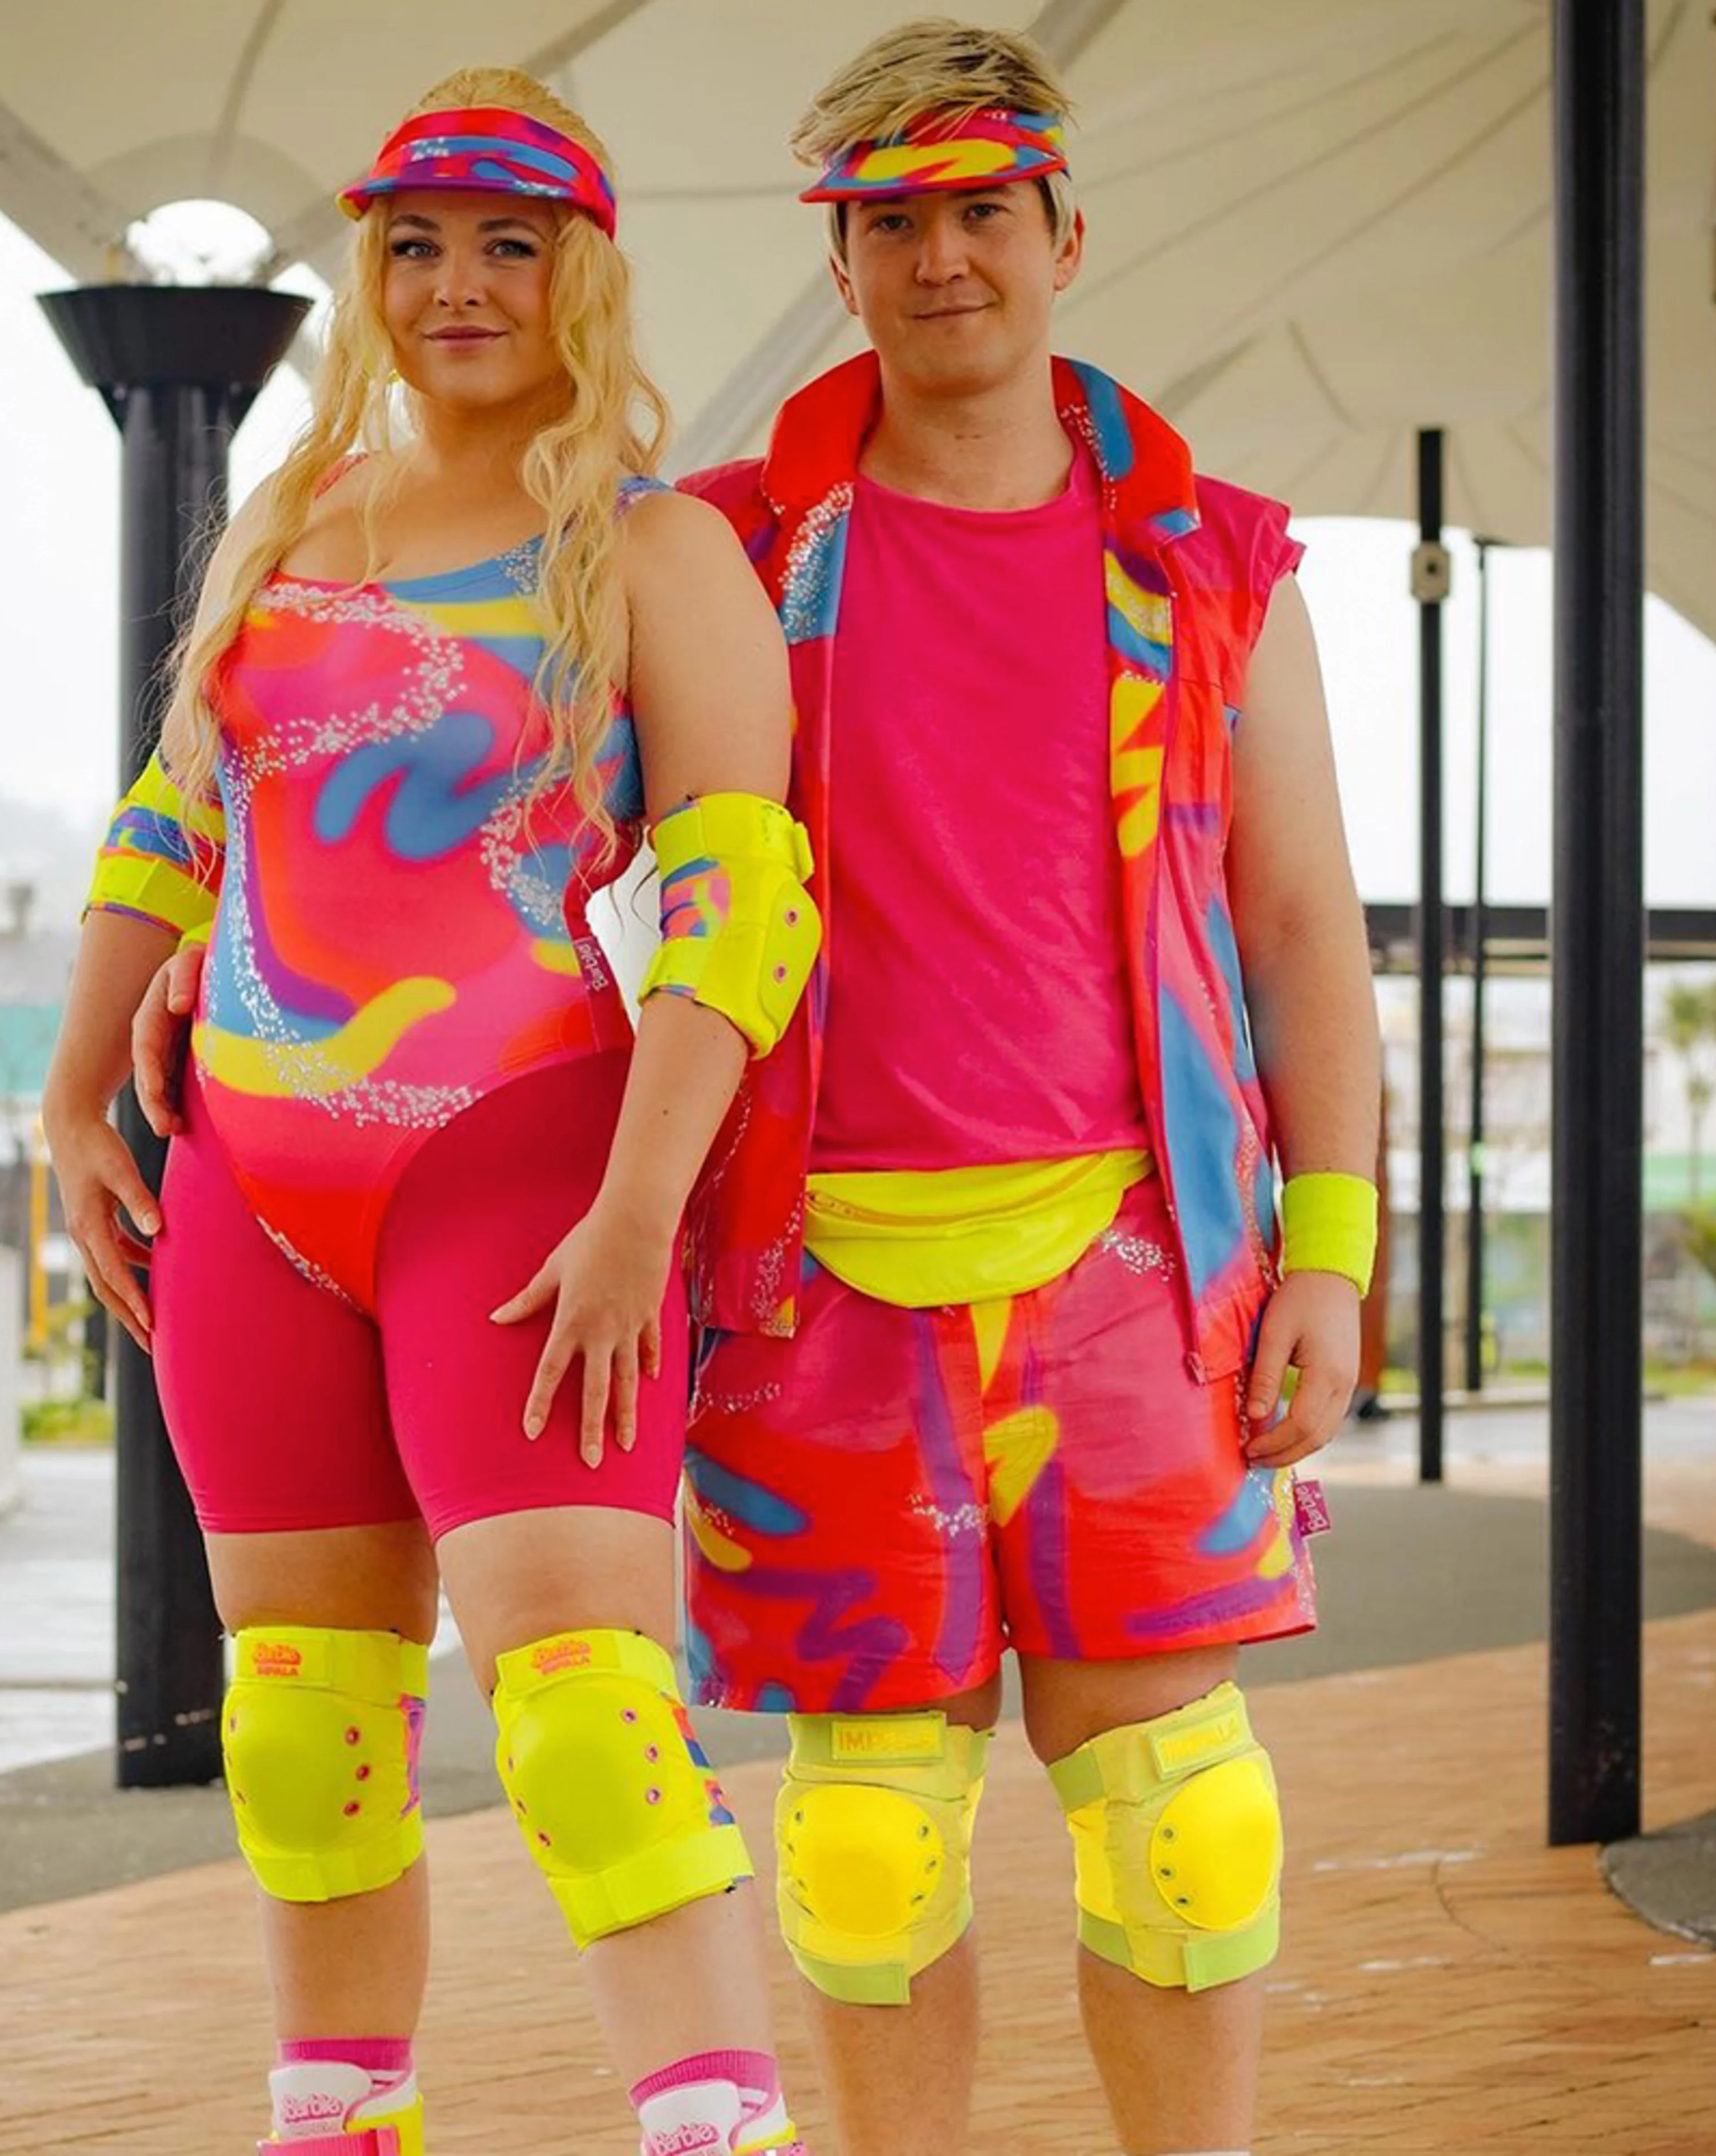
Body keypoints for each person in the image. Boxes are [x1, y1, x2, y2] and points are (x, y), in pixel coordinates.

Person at [43, 70, 818, 2156]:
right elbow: (172, 825)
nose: (457, 285)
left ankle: (712, 2128)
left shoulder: (653, 547)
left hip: (530, 1177)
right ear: (366, 274)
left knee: (585, 1727)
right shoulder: (294, 526)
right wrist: (66, 1090)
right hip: (249, 1188)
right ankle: (334, 2128)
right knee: (303, 1736)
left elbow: (747, 897)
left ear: (585, 272)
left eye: (508, 242)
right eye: (413, 243)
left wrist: (649, 1206)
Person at [670, 23, 1380, 2156]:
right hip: (816, 1292)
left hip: (1145, 1272)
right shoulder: (724, 552)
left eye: (983, 211)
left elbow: (1304, 934)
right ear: (843, 257)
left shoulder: (1214, 560)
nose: (941, 259)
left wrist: (1333, 1260)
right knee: (869, 1862)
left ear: (1066, 233)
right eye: (893, 223)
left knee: (1187, 1836)